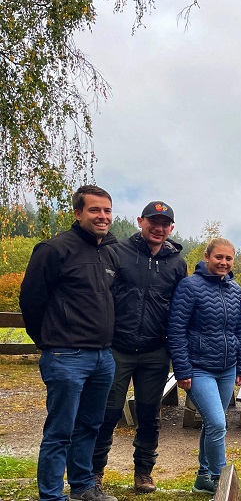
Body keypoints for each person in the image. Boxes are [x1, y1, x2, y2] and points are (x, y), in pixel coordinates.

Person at [19, 185, 119, 501]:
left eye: (107, 210)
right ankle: (51, 495)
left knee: (89, 426)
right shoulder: (53, 250)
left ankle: (83, 487)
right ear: (78, 213)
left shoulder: (109, 252)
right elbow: (31, 300)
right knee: (60, 431)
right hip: (66, 355)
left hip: (103, 356)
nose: (102, 216)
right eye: (94, 210)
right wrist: (48, 342)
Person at [92, 201, 187, 493]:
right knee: (107, 412)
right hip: (117, 348)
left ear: (171, 228)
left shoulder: (177, 263)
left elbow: (180, 309)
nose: (158, 228)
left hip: (155, 350)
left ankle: (143, 472)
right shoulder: (117, 252)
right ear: (140, 221)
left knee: (149, 414)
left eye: (164, 224)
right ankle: (95, 472)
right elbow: (101, 295)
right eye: (153, 222)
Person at [166, 238, 241, 494]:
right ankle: (222, 482)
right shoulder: (189, 286)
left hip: (227, 368)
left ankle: (203, 477)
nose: (223, 262)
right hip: (199, 368)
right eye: (218, 257)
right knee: (218, 423)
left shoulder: (235, 290)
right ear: (207, 257)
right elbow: (176, 330)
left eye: (228, 258)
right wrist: (182, 369)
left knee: (212, 424)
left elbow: (239, 330)